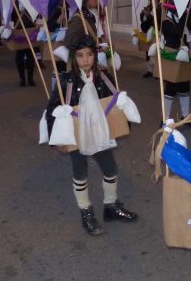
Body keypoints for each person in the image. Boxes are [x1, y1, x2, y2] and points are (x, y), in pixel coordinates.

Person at [44, 35, 137, 235]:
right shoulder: (66, 81)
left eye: (89, 55)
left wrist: (123, 125)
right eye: (80, 56)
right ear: (73, 58)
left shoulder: (104, 76)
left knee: (111, 169)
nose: (85, 60)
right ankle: (85, 211)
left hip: (99, 132)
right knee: (80, 171)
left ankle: (110, 206)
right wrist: (57, 139)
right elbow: (52, 109)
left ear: (95, 55)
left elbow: (115, 103)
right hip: (76, 133)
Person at [161, 0, 191, 119]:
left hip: (184, 58)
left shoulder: (182, 21)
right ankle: (165, 117)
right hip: (172, 59)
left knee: (185, 86)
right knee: (170, 89)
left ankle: (185, 115)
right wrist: (184, 16)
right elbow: (176, 34)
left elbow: (187, 36)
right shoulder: (166, 22)